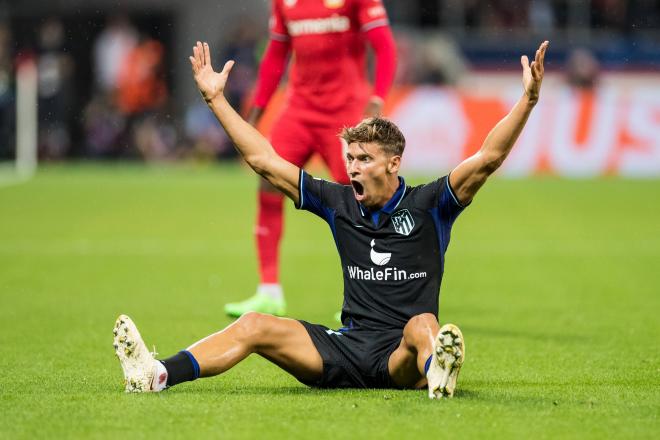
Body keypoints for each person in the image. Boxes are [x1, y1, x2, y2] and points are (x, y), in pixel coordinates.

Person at [113, 39, 548, 398]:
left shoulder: (430, 203)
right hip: (345, 347)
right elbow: (264, 161)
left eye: (365, 159)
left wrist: (527, 100)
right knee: (254, 325)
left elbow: (488, 157)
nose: (353, 167)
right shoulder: (338, 201)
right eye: (351, 158)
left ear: (394, 163)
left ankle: (438, 372)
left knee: (423, 325)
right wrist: (215, 99)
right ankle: (156, 374)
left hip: (401, 356)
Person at [223, 0, 398, 318]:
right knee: (268, 181)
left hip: (345, 111)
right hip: (300, 110)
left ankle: (369, 297)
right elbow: (276, 55)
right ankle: (269, 291)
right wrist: (257, 112)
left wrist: (377, 99)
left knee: (362, 200)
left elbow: (384, 47)